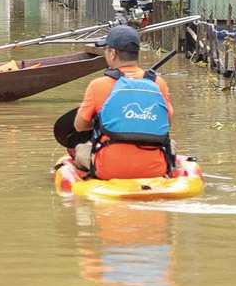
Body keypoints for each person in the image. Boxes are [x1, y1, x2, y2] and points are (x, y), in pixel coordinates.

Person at [58, 25, 176, 179]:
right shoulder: (158, 83)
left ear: (113, 53)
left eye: (106, 50)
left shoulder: (98, 85)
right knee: (171, 143)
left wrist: (101, 121)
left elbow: (79, 126)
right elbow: (167, 122)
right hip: (154, 169)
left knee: (80, 149)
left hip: (109, 169)